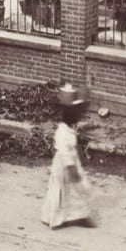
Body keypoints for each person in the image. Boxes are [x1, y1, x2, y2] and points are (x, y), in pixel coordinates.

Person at [42, 85, 96, 229]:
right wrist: (71, 168)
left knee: (75, 189)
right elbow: (65, 152)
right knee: (68, 189)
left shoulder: (70, 128)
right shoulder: (62, 132)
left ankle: (79, 215)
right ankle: (60, 218)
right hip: (65, 164)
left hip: (72, 160)